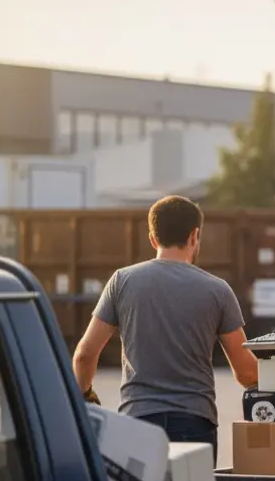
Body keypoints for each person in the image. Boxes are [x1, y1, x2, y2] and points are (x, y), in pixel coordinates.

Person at [72, 196, 259, 464]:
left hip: (138, 423)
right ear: (195, 236)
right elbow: (246, 373)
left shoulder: (122, 282)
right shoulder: (218, 290)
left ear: (152, 238)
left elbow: (84, 354)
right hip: (195, 425)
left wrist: (85, 396)